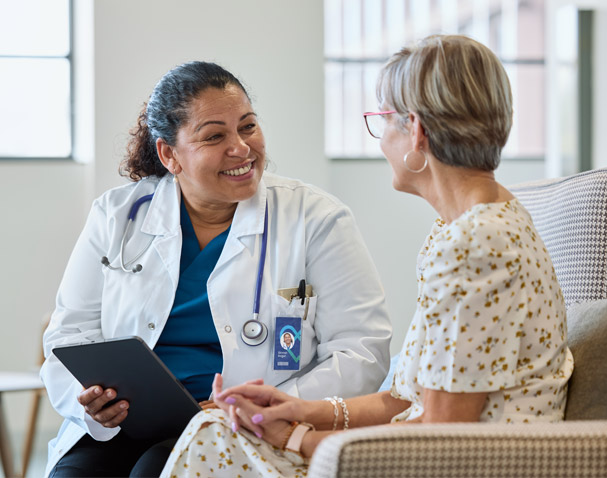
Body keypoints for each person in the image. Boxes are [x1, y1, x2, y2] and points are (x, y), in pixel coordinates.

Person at [160, 35, 575, 477]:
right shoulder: (467, 225)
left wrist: (298, 439)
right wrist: (300, 408)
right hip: (422, 445)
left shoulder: (474, 246)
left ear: (414, 132)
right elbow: (404, 399)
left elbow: (444, 435)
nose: (381, 142)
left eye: (383, 121)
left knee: (212, 438)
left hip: (463, 465)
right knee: (216, 430)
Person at [40, 61, 392, 477]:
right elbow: (69, 336)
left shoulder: (315, 218)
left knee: (157, 470)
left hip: (243, 423)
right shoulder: (117, 216)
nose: (241, 148)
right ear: (169, 154)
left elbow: (361, 350)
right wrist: (91, 399)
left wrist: (275, 406)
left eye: (247, 127)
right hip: (125, 421)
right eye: (215, 136)